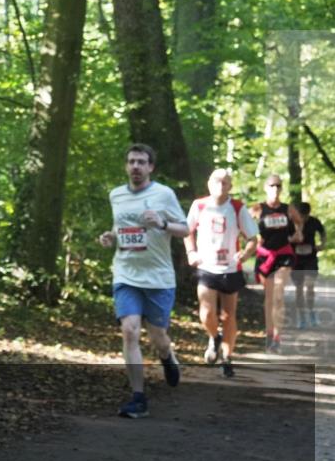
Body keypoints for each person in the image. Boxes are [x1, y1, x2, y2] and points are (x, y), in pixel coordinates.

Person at [98, 144, 189, 419]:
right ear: (126, 166)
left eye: (141, 162)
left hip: (159, 277)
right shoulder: (116, 195)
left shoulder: (164, 194)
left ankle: (166, 356)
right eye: (131, 162)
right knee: (129, 330)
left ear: (151, 167)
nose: (135, 166)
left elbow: (185, 229)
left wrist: (162, 224)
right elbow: (121, 226)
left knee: (158, 336)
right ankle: (138, 397)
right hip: (126, 273)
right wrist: (111, 237)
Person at [184, 169, 258, 378]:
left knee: (228, 316)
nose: (221, 185)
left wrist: (245, 253)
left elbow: (253, 238)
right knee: (207, 313)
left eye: (225, 182)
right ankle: (213, 336)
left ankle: (227, 358)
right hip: (206, 266)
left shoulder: (236, 208)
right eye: (217, 181)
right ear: (209, 183)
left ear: (230, 186)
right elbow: (186, 231)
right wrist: (191, 252)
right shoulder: (199, 206)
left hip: (230, 268)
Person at [254, 174, 303, 353]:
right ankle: (269, 335)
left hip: (284, 255)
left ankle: (277, 337)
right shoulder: (258, 209)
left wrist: (298, 233)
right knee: (269, 299)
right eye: (272, 185)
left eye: (278, 186)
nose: (275, 189)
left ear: (282, 189)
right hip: (265, 257)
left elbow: (299, 223)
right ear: (265, 188)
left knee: (278, 294)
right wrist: (253, 239)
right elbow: (244, 227)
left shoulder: (287, 209)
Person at [291, 202, 326, 328]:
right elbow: (285, 238)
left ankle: (311, 312)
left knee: (310, 286)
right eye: (301, 216)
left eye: (305, 216)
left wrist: (322, 244)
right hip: (296, 259)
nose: (303, 218)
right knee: (299, 289)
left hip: (310, 258)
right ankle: (302, 317)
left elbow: (322, 232)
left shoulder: (314, 221)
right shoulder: (291, 223)